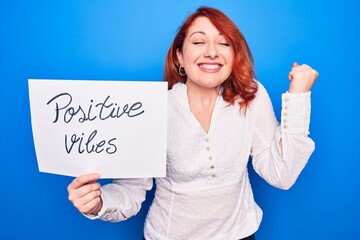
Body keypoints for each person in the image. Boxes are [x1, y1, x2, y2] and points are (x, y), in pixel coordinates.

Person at [67, 6, 318, 240]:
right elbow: (131, 191)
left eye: (224, 43)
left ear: (234, 56)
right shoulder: (152, 108)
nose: (211, 51)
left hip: (240, 233)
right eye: (198, 42)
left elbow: (282, 175)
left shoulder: (251, 96)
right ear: (180, 56)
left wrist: (298, 96)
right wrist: (98, 203)